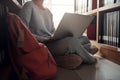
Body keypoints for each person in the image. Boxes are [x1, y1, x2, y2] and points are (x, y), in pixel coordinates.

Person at [19, 0, 97, 66]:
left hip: (52, 41)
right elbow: (23, 32)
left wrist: (60, 34)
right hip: (43, 45)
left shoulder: (48, 11)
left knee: (84, 38)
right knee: (71, 42)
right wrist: (44, 38)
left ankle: (75, 54)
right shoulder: (29, 6)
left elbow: (52, 31)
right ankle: (88, 58)